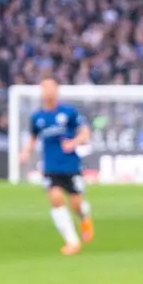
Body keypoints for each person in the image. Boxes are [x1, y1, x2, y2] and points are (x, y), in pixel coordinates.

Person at [20, 79, 94, 254]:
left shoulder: (69, 112)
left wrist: (73, 142)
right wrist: (25, 151)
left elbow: (85, 132)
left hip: (70, 165)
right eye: (45, 88)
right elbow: (32, 138)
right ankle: (72, 241)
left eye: (51, 88)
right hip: (51, 167)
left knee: (76, 205)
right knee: (55, 199)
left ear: (57, 91)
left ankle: (84, 218)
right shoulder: (37, 117)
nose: (48, 91)